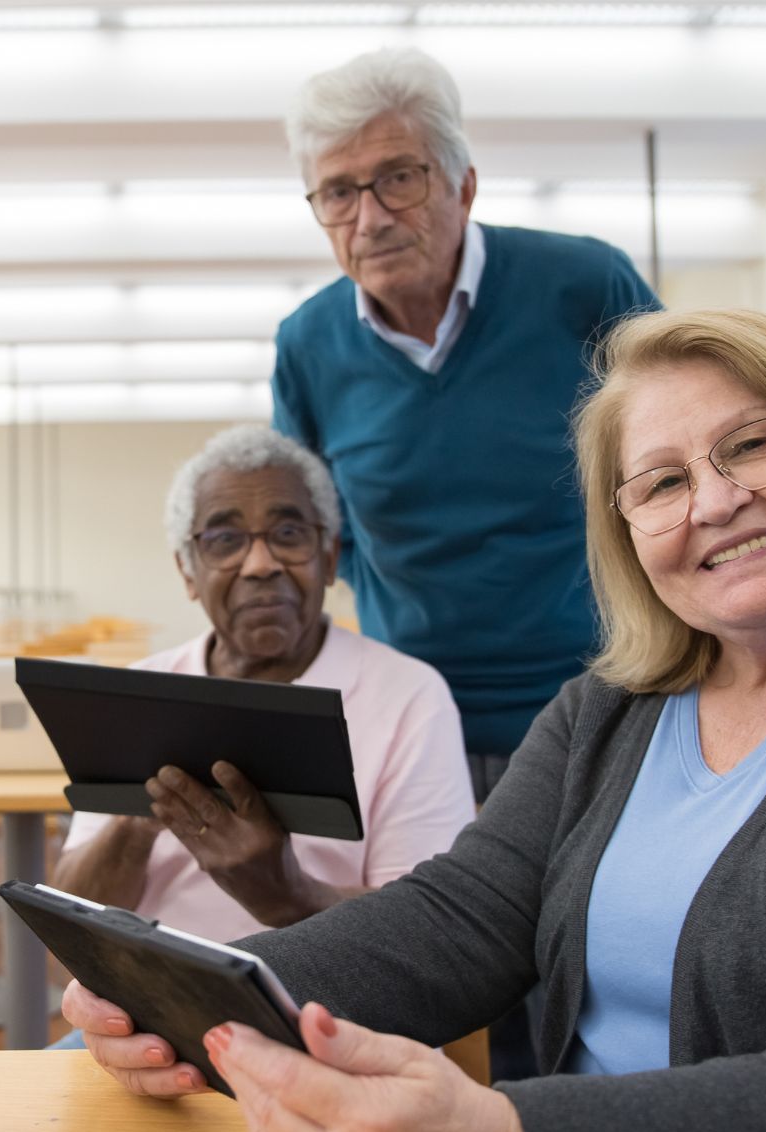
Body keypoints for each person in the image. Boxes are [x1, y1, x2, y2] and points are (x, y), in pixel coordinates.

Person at [62, 309, 766, 1132]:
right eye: (662, 483)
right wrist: (176, 996)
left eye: (751, 445)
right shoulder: (608, 712)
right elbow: (454, 921)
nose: (715, 501)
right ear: (626, 533)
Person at [271, 46, 660, 798]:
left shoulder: (584, 285)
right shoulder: (307, 345)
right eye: (338, 193)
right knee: (438, 917)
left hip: (607, 702)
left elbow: (688, 455)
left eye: (398, 179)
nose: (370, 217)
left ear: (464, 184)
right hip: (414, 723)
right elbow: (317, 529)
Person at [52, 426, 474, 945]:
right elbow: (73, 913)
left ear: (329, 557)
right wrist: (140, 820)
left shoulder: (409, 697)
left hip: (321, 1014)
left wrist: (289, 895)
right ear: (188, 571)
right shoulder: (141, 692)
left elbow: (425, 928)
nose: (260, 564)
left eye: (288, 534)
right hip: (149, 1007)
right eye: (225, 540)